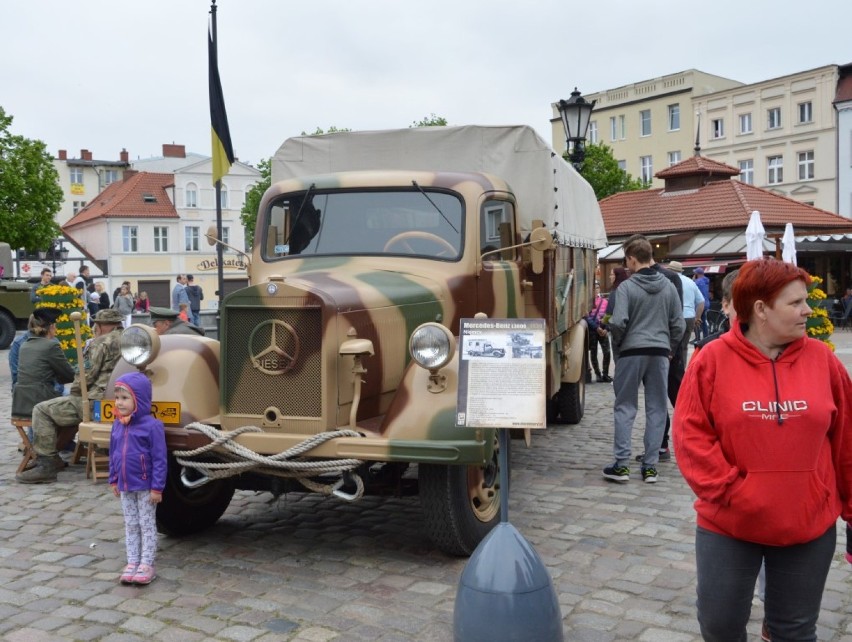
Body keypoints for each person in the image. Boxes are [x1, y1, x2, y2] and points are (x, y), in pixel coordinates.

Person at [673, 259, 852, 641]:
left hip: (808, 525)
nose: (809, 310)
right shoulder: (711, 360)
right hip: (730, 525)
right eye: (796, 303)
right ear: (760, 309)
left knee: (795, 631)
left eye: (807, 301)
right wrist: (733, 491)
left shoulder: (823, 360)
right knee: (720, 628)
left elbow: (847, 441)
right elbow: (690, 436)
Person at [604, 237, 684, 484]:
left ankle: (622, 464)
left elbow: (617, 322)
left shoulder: (626, 288)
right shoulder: (669, 286)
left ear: (631, 258)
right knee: (657, 408)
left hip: (631, 351)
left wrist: (619, 345)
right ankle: (650, 467)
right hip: (659, 353)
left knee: (625, 407)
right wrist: (668, 348)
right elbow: (679, 324)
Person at [16, 308, 125, 484]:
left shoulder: (101, 342)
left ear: (100, 325)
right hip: (122, 400)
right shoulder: (131, 339)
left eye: (95, 324)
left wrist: (75, 391)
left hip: (96, 401)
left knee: (42, 410)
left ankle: (47, 465)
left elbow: (86, 375)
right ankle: (57, 457)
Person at [109, 371, 167, 586]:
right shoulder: (118, 424)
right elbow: (114, 452)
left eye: (125, 398)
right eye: (117, 397)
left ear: (139, 399)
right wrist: (113, 479)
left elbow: (160, 459)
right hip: (126, 485)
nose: (119, 402)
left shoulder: (152, 427)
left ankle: (146, 563)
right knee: (131, 524)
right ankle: (132, 561)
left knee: (146, 524)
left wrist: (157, 487)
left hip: (145, 486)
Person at [11, 309, 76, 451]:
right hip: (41, 400)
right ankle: (54, 450)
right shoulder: (51, 345)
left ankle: (52, 447)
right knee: (78, 412)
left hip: (22, 402)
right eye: (55, 326)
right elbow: (69, 375)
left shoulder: (25, 345)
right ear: (51, 327)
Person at [667, 261, 705, 367]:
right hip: (689, 317)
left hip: (675, 317)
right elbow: (701, 302)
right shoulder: (690, 282)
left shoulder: (668, 281)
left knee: (671, 346)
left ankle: (669, 370)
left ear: (670, 270)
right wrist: (697, 317)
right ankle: (682, 370)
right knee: (683, 346)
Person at [586, 281, 611, 383]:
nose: (595, 290)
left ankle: (605, 374)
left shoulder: (605, 302)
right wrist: (596, 327)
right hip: (593, 330)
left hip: (603, 329)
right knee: (594, 353)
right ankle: (598, 374)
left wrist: (606, 328)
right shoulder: (588, 303)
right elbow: (586, 317)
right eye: (594, 288)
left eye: (597, 287)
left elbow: (609, 315)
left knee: (607, 352)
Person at [693, 267, 711, 340]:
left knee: (696, 320)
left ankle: (697, 338)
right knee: (703, 320)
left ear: (697, 274)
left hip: (699, 304)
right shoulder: (706, 281)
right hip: (706, 303)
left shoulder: (698, 282)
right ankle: (705, 337)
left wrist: (693, 280)